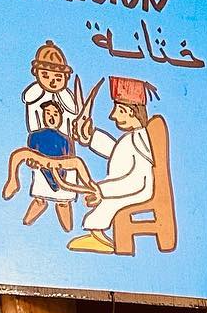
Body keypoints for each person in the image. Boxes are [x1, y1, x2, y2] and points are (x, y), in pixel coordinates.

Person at [67, 75, 161, 255]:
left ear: (131, 111)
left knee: (105, 206)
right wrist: (91, 137)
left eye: (118, 109)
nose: (112, 115)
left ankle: (100, 239)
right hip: (123, 186)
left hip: (135, 189)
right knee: (100, 204)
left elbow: (137, 180)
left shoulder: (141, 139)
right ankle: (97, 235)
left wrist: (102, 190)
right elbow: (116, 151)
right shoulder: (132, 138)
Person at [19, 41, 83, 232]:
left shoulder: (68, 99)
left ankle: (68, 231)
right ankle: (25, 225)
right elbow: (32, 127)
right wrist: (33, 155)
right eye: (45, 75)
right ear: (37, 74)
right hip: (41, 151)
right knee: (40, 195)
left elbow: (73, 123)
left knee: (64, 199)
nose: (52, 81)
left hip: (65, 154)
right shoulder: (34, 97)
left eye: (57, 76)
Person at [3, 100, 97, 208]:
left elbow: (69, 159)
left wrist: (61, 171)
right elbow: (30, 156)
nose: (51, 117)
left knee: (63, 203)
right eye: (48, 113)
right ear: (43, 116)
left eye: (55, 114)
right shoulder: (34, 136)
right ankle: (13, 181)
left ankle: (90, 186)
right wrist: (32, 163)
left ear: (60, 117)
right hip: (42, 169)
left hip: (60, 169)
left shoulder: (65, 139)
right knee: (39, 201)